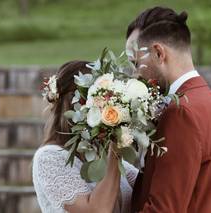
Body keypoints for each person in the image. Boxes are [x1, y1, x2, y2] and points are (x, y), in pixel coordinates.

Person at [126, 7, 211, 213]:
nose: (135, 75)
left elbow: (163, 209)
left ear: (159, 53)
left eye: (136, 63)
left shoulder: (181, 113)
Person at [32, 60, 138, 213]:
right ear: (79, 103)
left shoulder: (98, 151)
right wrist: (116, 142)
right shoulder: (49, 157)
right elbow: (97, 211)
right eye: (103, 99)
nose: (107, 105)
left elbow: (146, 185)